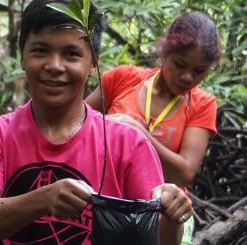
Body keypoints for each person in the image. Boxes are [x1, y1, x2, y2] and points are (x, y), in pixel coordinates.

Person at [0, 0, 192, 244]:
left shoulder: (128, 143)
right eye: (40, 51)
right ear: (22, 56)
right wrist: (44, 199)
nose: (55, 66)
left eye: (71, 54)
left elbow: (156, 240)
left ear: (93, 64)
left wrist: (173, 216)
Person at [86, 11, 221, 245]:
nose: (188, 77)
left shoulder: (202, 104)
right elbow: (76, 124)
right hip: (106, 202)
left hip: (165, 213)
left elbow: (184, 172)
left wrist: (138, 132)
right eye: (180, 64)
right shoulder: (121, 79)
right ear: (165, 51)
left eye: (200, 71)